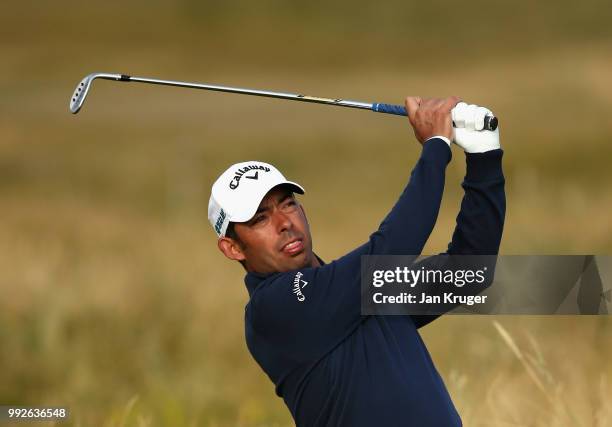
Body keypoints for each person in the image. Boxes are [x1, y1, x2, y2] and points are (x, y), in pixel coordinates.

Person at [208, 97, 505, 426]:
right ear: (232, 248)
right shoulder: (275, 309)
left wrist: (484, 157)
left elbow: (469, 271)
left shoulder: (354, 287)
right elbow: (391, 249)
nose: (284, 222)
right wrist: (435, 146)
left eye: (288, 204)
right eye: (260, 218)